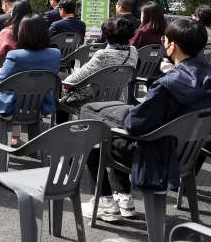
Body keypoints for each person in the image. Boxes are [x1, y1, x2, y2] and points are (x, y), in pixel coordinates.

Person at [82, 18, 211, 221]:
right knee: (112, 125)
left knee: (93, 135)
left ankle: (107, 201)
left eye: (164, 39)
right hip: (188, 153)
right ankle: (122, 197)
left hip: (155, 152)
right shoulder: (207, 75)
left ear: (173, 46)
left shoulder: (168, 85)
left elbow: (135, 126)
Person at [0, 14, 61, 146]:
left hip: (12, 108)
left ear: (23, 33)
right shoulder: (55, 54)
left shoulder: (15, 55)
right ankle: (15, 138)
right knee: (15, 92)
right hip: (40, 107)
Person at [58, 17, 138, 122]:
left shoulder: (103, 54)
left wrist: (67, 85)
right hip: (115, 97)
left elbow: (74, 79)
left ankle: (61, 126)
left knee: (59, 78)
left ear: (107, 36)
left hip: (92, 99)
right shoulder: (133, 52)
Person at [0, 0, 32, 64]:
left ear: (13, 13)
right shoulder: (35, 31)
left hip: (9, 69)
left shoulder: (7, 32)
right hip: (32, 69)